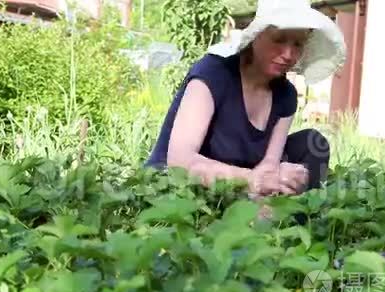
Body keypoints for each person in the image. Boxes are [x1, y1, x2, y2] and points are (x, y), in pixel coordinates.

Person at [145, 0, 346, 208]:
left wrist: (269, 187)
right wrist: (251, 179)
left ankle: (295, 218)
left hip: (236, 189)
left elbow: (269, 165)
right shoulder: (214, 73)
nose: (288, 55)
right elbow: (180, 161)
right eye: (279, 40)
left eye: (297, 44)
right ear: (255, 36)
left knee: (312, 143)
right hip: (178, 189)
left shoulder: (286, 95)